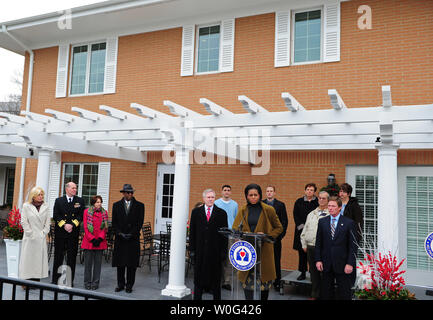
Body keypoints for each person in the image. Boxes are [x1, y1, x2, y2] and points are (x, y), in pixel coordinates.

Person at [232, 184, 283, 300]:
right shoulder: (243, 210)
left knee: (264, 285)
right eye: (251, 195)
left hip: (264, 251)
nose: (253, 197)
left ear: (260, 195)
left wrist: (267, 236)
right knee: (247, 283)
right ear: (246, 196)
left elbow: (279, 228)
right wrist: (238, 235)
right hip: (247, 252)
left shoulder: (268, 209)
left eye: (256, 195)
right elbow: (235, 228)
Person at [315, 196, 357, 300]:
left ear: (340, 207)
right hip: (326, 264)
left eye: (333, 206)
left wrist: (350, 263)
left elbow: (353, 246)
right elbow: (318, 243)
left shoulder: (349, 223)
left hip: (343, 264)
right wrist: (318, 260)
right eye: (329, 205)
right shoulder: (322, 222)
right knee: (325, 293)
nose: (330, 208)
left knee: (344, 293)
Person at [189, 189, 228, 300]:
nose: (210, 199)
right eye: (208, 197)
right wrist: (192, 250)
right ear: (204, 198)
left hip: (215, 252)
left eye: (212, 197)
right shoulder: (196, 212)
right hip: (200, 251)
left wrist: (223, 252)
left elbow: (224, 235)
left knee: (215, 280)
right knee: (198, 279)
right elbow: (192, 232)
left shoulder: (221, 213)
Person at [112, 184, 144, 293]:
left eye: (131, 192)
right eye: (128, 192)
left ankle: (129, 285)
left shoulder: (140, 206)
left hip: (132, 239)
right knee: (120, 264)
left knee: (131, 264)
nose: (130, 194)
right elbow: (114, 223)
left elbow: (139, 222)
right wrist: (120, 233)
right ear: (123, 193)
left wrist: (131, 233)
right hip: (120, 239)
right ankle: (120, 284)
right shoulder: (116, 205)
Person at [52, 182, 85, 287]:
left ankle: (69, 280)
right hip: (61, 233)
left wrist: (72, 225)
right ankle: (55, 279)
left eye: (76, 188)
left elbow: (81, 216)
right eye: (73, 188)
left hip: (73, 234)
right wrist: (64, 225)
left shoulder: (80, 201)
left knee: (71, 258)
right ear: (67, 189)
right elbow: (56, 215)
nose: (75, 190)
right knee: (58, 257)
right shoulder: (59, 201)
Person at [300, 191, 329, 300]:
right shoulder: (311, 214)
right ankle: (314, 295)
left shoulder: (330, 215)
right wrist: (304, 244)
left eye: (324, 198)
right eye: (320, 198)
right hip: (311, 247)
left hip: (323, 248)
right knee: (313, 273)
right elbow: (304, 230)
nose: (321, 200)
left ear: (327, 200)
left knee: (324, 272)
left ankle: (324, 295)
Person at [19, 187, 51, 286]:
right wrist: (30, 233)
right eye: (39, 195)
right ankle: (26, 282)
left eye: (42, 195)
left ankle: (36, 282)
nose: (41, 197)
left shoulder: (46, 206)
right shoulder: (26, 206)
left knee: (38, 261)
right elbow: (24, 221)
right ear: (33, 196)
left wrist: (44, 233)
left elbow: (48, 222)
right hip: (30, 237)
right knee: (28, 260)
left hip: (40, 237)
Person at [262, 185, 288, 291]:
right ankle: (263, 280)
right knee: (263, 260)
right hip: (263, 237)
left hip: (275, 238)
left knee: (276, 260)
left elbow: (284, 222)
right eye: (267, 191)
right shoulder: (261, 204)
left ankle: (277, 282)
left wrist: (279, 236)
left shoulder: (280, 205)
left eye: (271, 191)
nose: (269, 193)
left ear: (274, 193)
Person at [81, 195, 108, 290]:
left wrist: (100, 238)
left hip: (100, 242)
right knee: (88, 264)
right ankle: (87, 283)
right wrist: (92, 239)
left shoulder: (105, 213)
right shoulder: (86, 212)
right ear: (93, 203)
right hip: (89, 242)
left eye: (100, 202)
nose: (99, 204)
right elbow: (85, 226)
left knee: (97, 264)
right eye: (97, 202)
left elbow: (105, 227)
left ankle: (95, 283)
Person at [339, 182, 363, 287]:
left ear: (348, 193)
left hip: (351, 236)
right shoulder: (337, 203)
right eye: (340, 191)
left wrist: (357, 236)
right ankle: (341, 280)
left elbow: (359, 221)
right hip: (338, 236)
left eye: (344, 192)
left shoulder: (354, 205)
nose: (341, 193)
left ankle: (351, 282)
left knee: (350, 259)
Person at [292, 183, 319, 280]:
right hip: (301, 231)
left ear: (314, 192)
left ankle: (313, 273)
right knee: (302, 253)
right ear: (305, 190)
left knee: (313, 254)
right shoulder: (299, 201)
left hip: (314, 231)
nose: (309, 191)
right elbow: (295, 215)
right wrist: (303, 227)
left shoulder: (317, 202)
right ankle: (302, 273)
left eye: (311, 190)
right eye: (307, 189)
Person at [214, 184, 238, 291]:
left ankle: (226, 281)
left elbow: (236, 220)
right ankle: (216, 280)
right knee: (217, 258)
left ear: (231, 192)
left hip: (230, 235)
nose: (227, 192)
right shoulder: (216, 203)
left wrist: (236, 235)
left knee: (228, 260)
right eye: (225, 190)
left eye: (228, 190)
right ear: (221, 192)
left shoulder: (235, 204)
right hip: (218, 234)